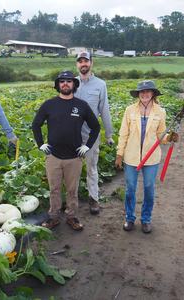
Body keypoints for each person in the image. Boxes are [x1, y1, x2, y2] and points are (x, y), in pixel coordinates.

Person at [32, 71, 100, 231]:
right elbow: (36, 124)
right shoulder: (49, 104)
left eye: (69, 81)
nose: (65, 84)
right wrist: (40, 144)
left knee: (72, 190)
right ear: (58, 85)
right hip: (53, 156)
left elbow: (95, 127)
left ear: (74, 85)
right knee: (54, 189)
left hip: (74, 158)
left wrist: (87, 146)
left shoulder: (81, 105)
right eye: (62, 81)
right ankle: (53, 217)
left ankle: (71, 216)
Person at [115, 80, 179, 233]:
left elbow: (160, 135)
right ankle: (129, 218)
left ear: (153, 94)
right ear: (138, 94)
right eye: (142, 92)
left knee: (149, 188)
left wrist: (170, 138)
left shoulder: (160, 112)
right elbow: (123, 133)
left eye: (147, 91)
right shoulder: (129, 110)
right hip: (131, 156)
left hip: (151, 158)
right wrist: (119, 153)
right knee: (130, 189)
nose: (144, 94)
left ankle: (146, 219)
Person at [74, 51, 114, 215]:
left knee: (91, 167)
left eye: (86, 61)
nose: (83, 64)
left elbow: (104, 110)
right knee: (73, 169)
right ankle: (72, 200)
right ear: (77, 64)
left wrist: (109, 134)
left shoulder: (100, 84)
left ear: (92, 63)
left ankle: (94, 199)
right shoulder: (71, 82)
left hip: (91, 134)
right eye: (80, 61)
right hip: (72, 134)